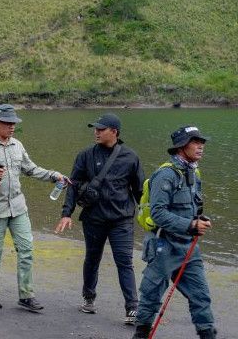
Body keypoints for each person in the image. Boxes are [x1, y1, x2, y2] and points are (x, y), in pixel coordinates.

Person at [0, 104, 68, 312]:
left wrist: (53, 176)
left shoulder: (17, 146)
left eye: (13, 123)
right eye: (7, 123)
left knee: (26, 250)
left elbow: (31, 169)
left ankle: (26, 295)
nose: (12, 127)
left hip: (18, 207)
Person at [55, 113, 144, 324]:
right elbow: (73, 185)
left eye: (100, 129)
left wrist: (152, 218)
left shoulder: (131, 157)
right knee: (92, 259)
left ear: (114, 132)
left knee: (125, 262)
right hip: (94, 219)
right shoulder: (85, 155)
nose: (96, 132)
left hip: (121, 219)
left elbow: (140, 191)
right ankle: (88, 298)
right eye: (95, 129)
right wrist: (67, 213)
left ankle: (132, 308)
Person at [132, 126, 216, 339]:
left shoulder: (194, 172)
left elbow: (194, 208)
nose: (201, 146)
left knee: (201, 296)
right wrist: (190, 225)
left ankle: (208, 335)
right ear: (181, 146)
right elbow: (159, 214)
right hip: (163, 246)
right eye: (195, 142)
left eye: (201, 142)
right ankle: (141, 334)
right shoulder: (165, 174)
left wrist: (199, 220)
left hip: (188, 247)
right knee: (151, 296)